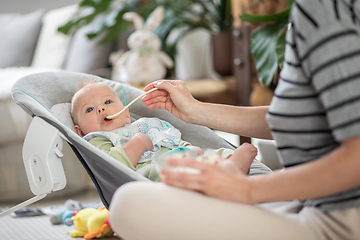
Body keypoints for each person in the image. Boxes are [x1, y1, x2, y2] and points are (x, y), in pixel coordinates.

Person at [108, 0, 360, 239]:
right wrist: (195, 111)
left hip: (339, 215)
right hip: (314, 198)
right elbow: (309, 121)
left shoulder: (326, 11)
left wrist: (246, 190)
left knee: (128, 204)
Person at [71, 81, 257, 181]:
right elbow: (113, 165)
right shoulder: (98, 140)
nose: (101, 109)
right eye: (89, 109)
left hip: (183, 158)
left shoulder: (146, 125)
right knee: (157, 173)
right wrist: (139, 142)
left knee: (213, 153)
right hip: (149, 176)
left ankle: (229, 163)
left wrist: (189, 149)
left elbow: (172, 141)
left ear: (127, 114)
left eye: (108, 102)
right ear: (80, 132)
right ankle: (217, 174)